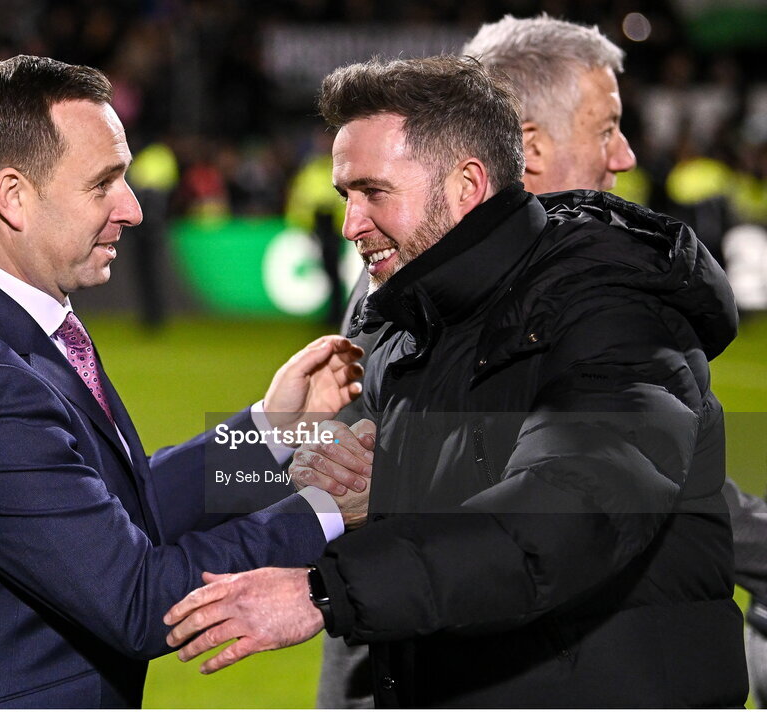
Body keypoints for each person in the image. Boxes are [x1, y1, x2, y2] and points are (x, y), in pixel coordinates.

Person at [163, 55, 748, 707]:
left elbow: (572, 511)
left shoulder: (612, 308)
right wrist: (264, 431)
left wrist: (325, 591)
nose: (351, 224)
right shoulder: (400, 312)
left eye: (373, 192)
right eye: (344, 196)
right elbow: (319, 466)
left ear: (468, 184)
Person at [0, 55, 368, 709]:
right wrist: (328, 509)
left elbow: (113, 509)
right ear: (13, 197)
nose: (132, 209)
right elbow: (136, 599)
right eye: (103, 184)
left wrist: (270, 429)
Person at [319, 14, 767, 707]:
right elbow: (339, 476)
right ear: (526, 148)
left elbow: (604, 480)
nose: (623, 156)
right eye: (605, 127)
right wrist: (270, 436)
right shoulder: (404, 295)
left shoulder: (604, 292)